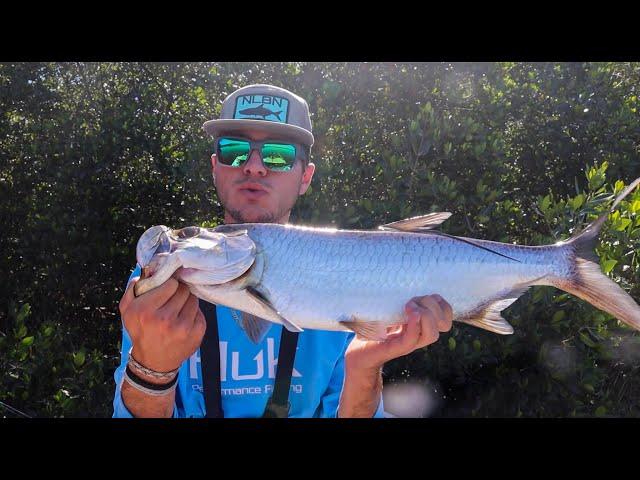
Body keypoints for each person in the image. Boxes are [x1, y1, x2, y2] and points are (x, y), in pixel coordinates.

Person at [113, 84, 453, 418]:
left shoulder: (345, 272)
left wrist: (364, 367)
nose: (255, 166)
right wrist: (149, 371)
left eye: (278, 154)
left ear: (305, 177)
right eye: (235, 150)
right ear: (216, 167)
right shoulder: (160, 285)